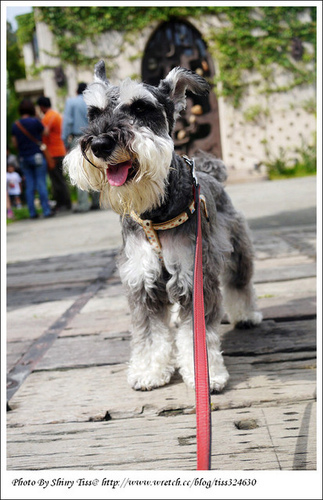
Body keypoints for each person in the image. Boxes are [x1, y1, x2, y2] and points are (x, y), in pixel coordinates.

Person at [11, 99, 54, 219]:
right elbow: (45, 132)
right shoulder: (35, 122)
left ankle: (32, 213)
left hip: (24, 158)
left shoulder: (15, 125)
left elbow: (14, 144)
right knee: (41, 183)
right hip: (37, 156)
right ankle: (46, 211)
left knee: (29, 186)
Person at [62, 83, 100, 212]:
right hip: (95, 137)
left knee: (80, 170)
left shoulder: (71, 102)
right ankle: (97, 201)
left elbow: (67, 122)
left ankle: (83, 204)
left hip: (78, 138)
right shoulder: (92, 102)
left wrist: (65, 141)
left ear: (76, 90)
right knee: (96, 168)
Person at [37, 96, 71, 212]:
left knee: (57, 180)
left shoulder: (48, 117)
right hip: (60, 150)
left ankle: (63, 203)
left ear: (41, 107)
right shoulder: (57, 115)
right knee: (60, 179)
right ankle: (66, 202)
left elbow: (44, 132)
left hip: (53, 153)